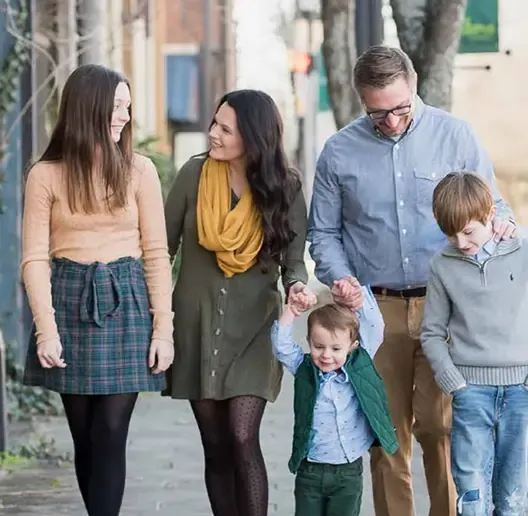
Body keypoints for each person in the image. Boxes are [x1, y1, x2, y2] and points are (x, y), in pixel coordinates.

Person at [307, 45, 516, 516]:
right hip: (373, 311)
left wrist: (501, 227)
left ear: (415, 83)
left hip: (447, 307)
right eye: (378, 114)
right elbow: (322, 233)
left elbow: (494, 208)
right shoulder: (339, 152)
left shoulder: (456, 136)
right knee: (386, 435)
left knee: (442, 432)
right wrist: (340, 279)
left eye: (401, 108)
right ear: (363, 102)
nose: (394, 121)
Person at [21, 64, 174, 515]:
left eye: (128, 107)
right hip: (68, 298)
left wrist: (162, 330)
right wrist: (45, 330)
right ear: (88, 108)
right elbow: (33, 257)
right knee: (84, 436)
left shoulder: (140, 171)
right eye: (117, 106)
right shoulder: (44, 175)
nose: (125, 117)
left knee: (110, 431)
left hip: (125, 299)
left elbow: (156, 252)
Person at [163, 89, 315, 516]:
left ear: (253, 136)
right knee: (215, 444)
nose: (213, 133)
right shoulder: (193, 176)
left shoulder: (286, 186)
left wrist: (298, 287)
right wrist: (157, 316)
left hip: (255, 330)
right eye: (214, 123)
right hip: (196, 326)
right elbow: (162, 248)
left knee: (242, 435)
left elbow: (293, 261)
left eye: (225, 128)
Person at [422, 172, 528, 515]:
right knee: (470, 495)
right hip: (471, 393)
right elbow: (432, 332)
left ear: (490, 216)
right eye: (450, 234)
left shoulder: (522, 251)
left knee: (512, 498)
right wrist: (455, 384)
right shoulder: (442, 266)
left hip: (521, 391)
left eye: (469, 231)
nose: (460, 241)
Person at [271, 279, 397, 516]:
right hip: (311, 469)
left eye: (336, 348)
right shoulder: (304, 368)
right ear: (309, 342)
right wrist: (291, 311)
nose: (326, 355)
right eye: (319, 346)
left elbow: (376, 326)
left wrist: (358, 293)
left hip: (348, 471)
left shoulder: (360, 364)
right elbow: (281, 345)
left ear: (352, 346)